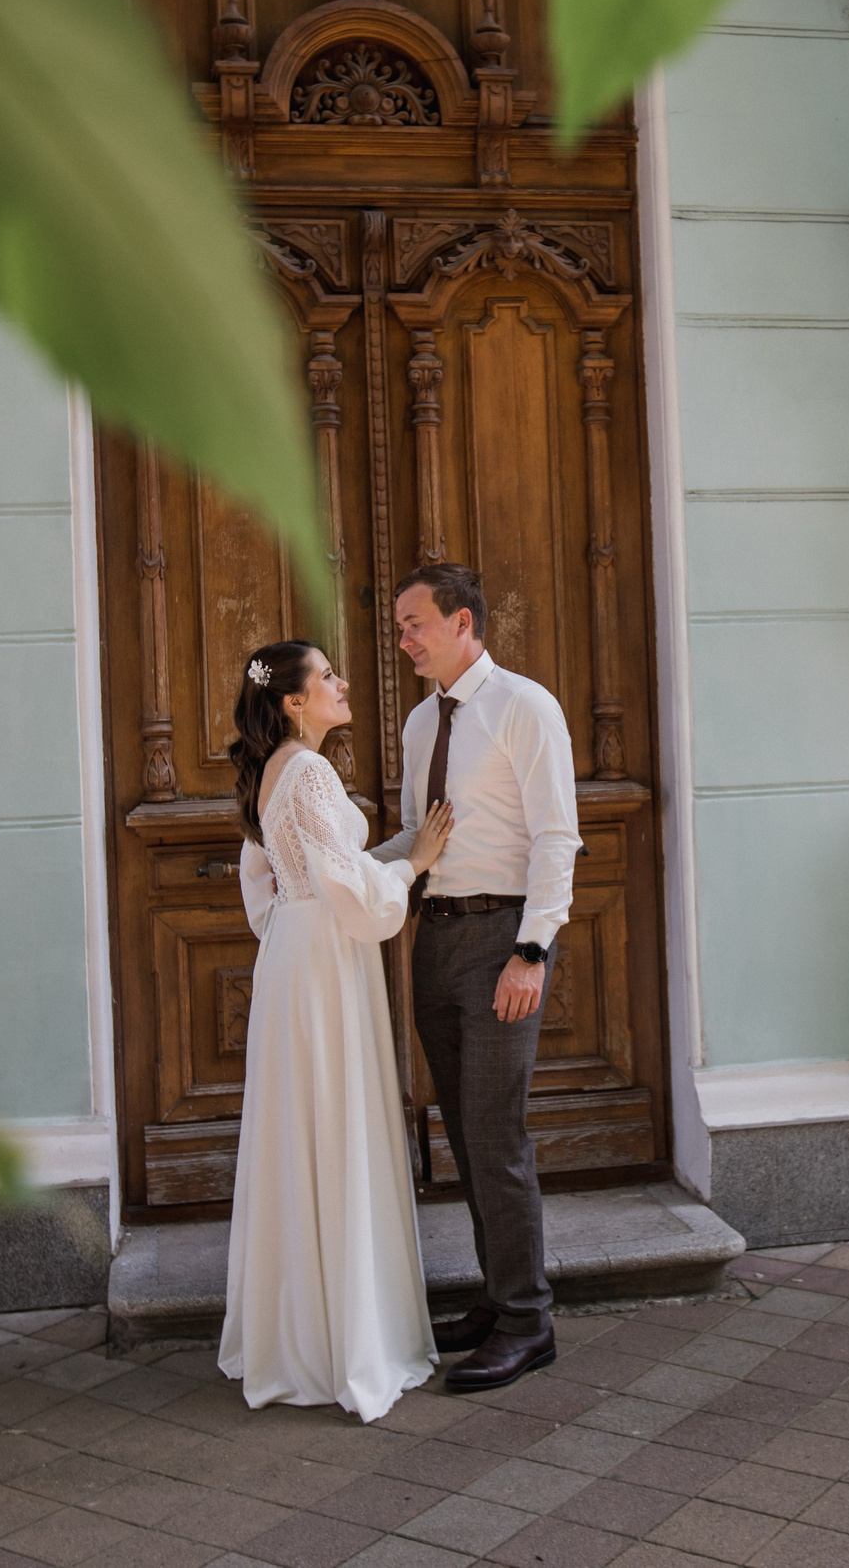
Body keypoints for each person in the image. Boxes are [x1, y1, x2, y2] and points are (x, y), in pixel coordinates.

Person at [219, 640, 454, 1422]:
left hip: (296, 953)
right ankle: (342, 1344)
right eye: (327, 676)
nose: (342, 684)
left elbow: (266, 879)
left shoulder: (273, 772)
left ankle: (301, 1335)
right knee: (335, 1126)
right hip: (325, 958)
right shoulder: (310, 771)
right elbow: (354, 897)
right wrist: (414, 864)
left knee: (302, 1132)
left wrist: (294, 925)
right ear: (292, 700)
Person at [371, 562, 579, 1392]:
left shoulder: (526, 706)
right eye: (398, 626)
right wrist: (333, 865)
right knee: (463, 1133)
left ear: (464, 622)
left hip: (503, 937)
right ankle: (498, 1300)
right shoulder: (423, 723)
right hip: (438, 938)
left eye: (415, 622)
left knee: (498, 1138)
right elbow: (420, 836)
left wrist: (532, 950)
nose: (404, 639)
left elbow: (557, 837)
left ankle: (529, 1321)